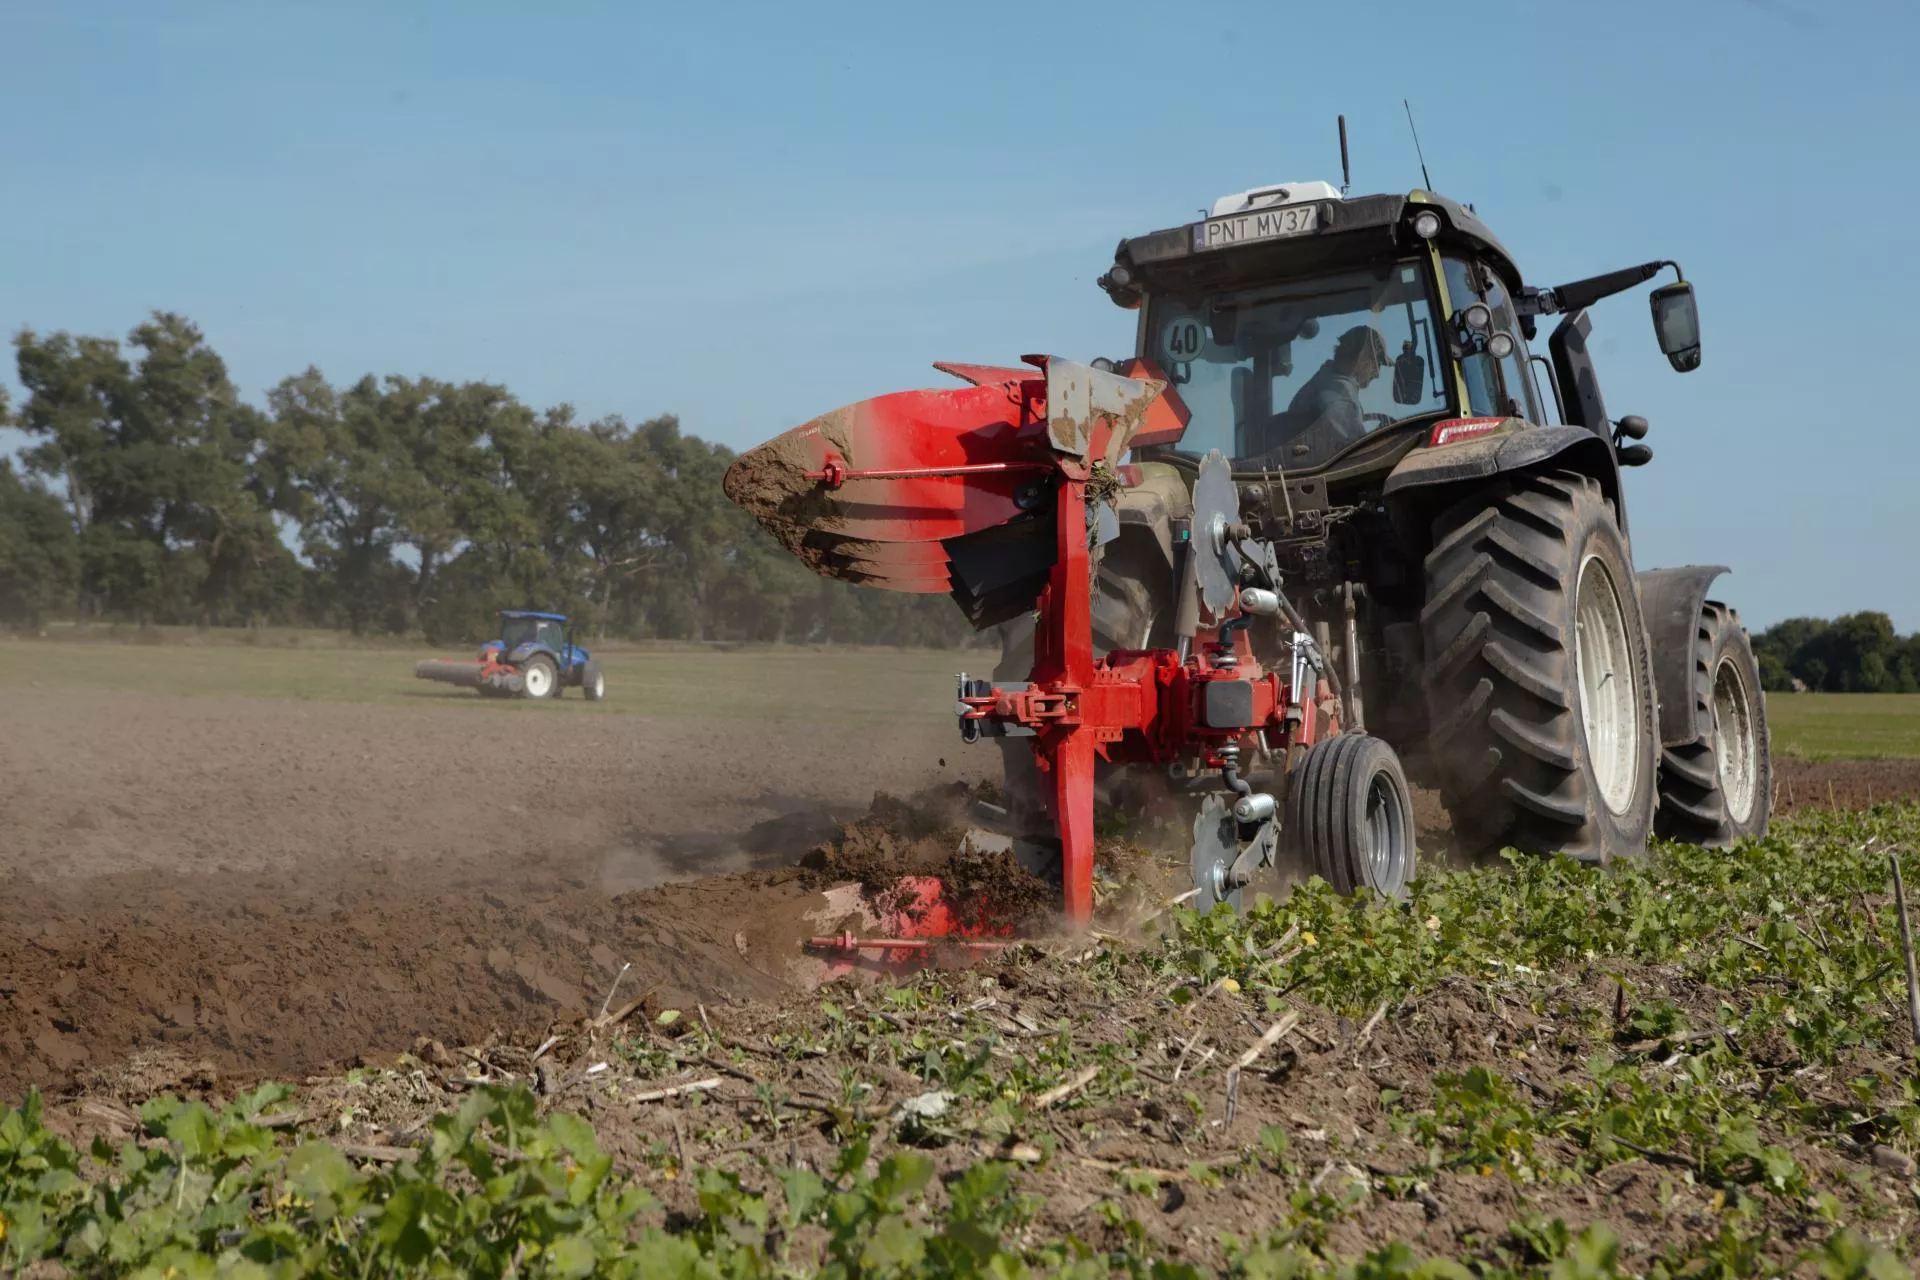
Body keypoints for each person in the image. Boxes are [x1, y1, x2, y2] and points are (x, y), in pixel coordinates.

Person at [1284, 324, 1388, 451]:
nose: (1377, 374)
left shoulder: (1324, 382)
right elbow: (1356, 454)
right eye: (1378, 363)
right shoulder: (1339, 393)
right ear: (1363, 356)